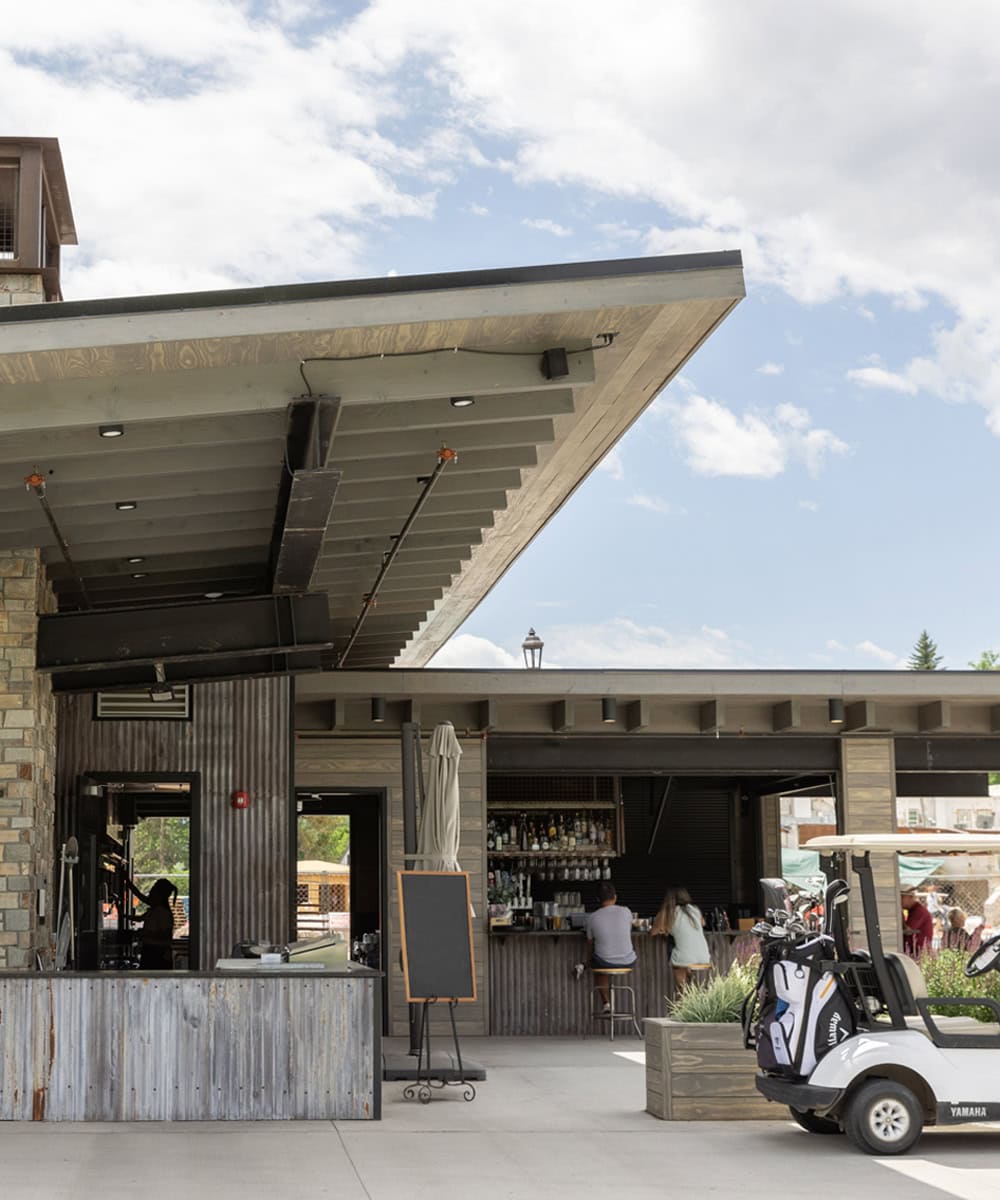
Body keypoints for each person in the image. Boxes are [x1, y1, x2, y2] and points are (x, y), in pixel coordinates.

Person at [585, 881, 636, 1011]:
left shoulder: (592, 918)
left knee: (597, 966)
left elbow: (590, 944)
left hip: (604, 963)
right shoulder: (627, 912)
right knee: (600, 961)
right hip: (628, 961)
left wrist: (587, 962)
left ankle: (606, 1003)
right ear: (615, 897)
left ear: (598, 899)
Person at [651, 885, 711, 991]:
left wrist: (666, 929)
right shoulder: (695, 910)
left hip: (684, 958)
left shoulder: (668, 912)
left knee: (678, 962)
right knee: (684, 961)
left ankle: (683, 993)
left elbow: (653, 932)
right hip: (704, 956)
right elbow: (703, 923)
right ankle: (692, 989)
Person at [128, 878, 178, 969]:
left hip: (157, 954)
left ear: (160, 895)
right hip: (152, 952)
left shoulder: (162, 912)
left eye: (153, 891)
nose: (150, 893)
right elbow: (140, 918)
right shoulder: (155, 909)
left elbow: (165, 935)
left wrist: (145, 933)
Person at [901, 887, 933, 956]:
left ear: (911, 897)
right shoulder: (913, 911)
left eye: (902, 897)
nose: (899, 900)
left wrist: (900, 916)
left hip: (918, 953)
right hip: (914, 951)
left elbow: (908, 931)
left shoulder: (919, 911)